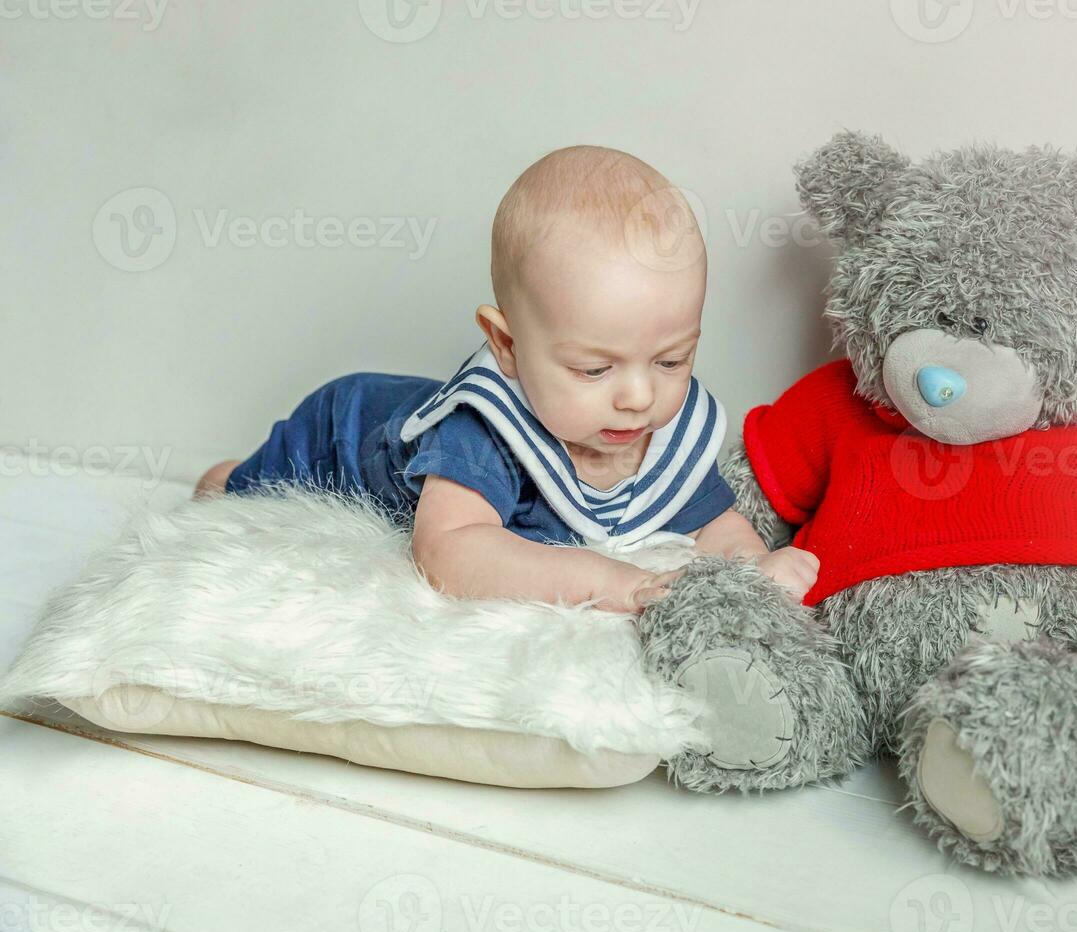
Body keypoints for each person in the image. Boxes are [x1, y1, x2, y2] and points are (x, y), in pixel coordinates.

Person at [194, 145, 817, 613]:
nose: (639, 397)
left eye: (672, 360)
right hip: (340, 431)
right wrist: (610, 583)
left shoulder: (659, 426)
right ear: (507, 346)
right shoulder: (484, 432)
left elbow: (711, 520)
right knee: (242, 495)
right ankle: (225, 474)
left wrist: (753, 565)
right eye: (593, 369)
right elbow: (449, 551)